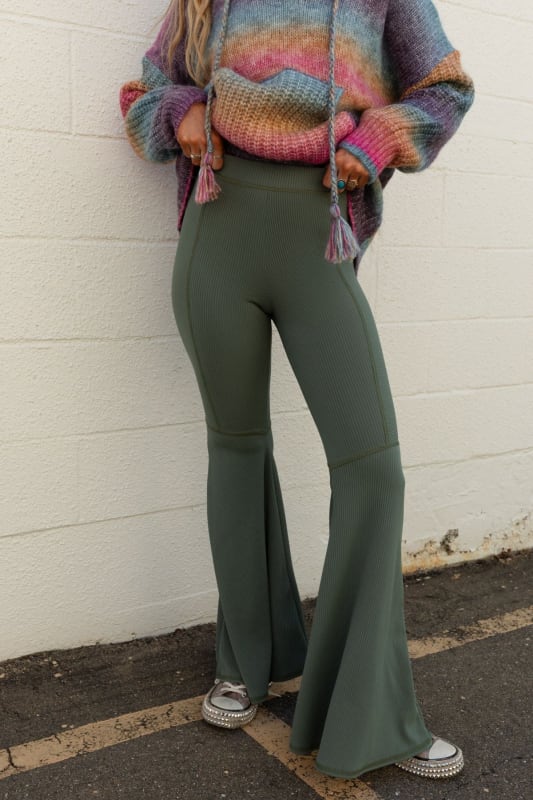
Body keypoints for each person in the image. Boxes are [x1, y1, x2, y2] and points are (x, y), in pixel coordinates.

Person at [119, 0, 475, 782]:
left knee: (372, 471)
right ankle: (246, 662)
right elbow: (144, 92)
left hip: (319, 235)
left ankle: (371, 712)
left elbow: (445, 89)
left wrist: (379, 138)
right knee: (237, 450)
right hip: (216, 233)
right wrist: (180, 112)